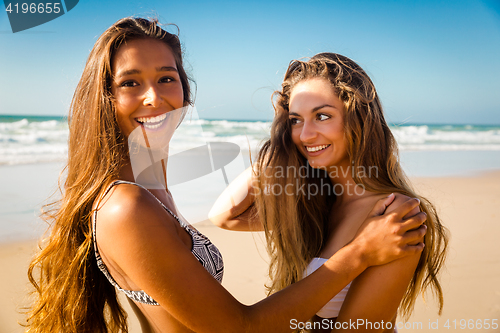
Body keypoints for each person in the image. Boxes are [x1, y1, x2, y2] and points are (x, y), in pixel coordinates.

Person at [25, 19, 428, 333]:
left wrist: (289, 154)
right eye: (131, 82)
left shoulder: (150, 188)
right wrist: (359, 254)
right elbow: (239, 326)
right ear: (105, 97)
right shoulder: (126, 206)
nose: (154, 96)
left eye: (167, 77)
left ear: (184, 88)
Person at [210, 53, 448, 332]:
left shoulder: (395, 213)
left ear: (358, 119)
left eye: (322, 116)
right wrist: (280, 146)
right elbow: (225, 215)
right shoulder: (314, 204)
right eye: (296, 120)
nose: (306, 135)